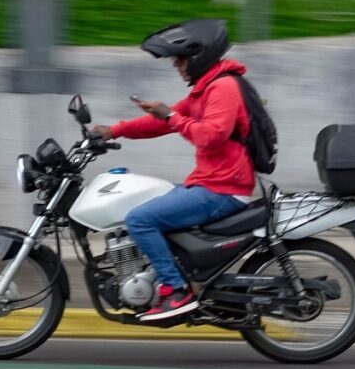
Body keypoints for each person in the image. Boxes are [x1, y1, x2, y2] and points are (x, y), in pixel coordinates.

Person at [92, 19, 254, 321]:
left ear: (199, 56)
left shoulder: (223, 87)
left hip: (223, 188)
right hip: (211, 182)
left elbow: (211, 135)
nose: (176, 65)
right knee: (148, 200)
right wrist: (114, 130)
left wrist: (171, 117)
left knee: (140, 219)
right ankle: (174, 275)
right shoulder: (207, 88)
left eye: (179, 59)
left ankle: (177, 290)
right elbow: (163, 121)